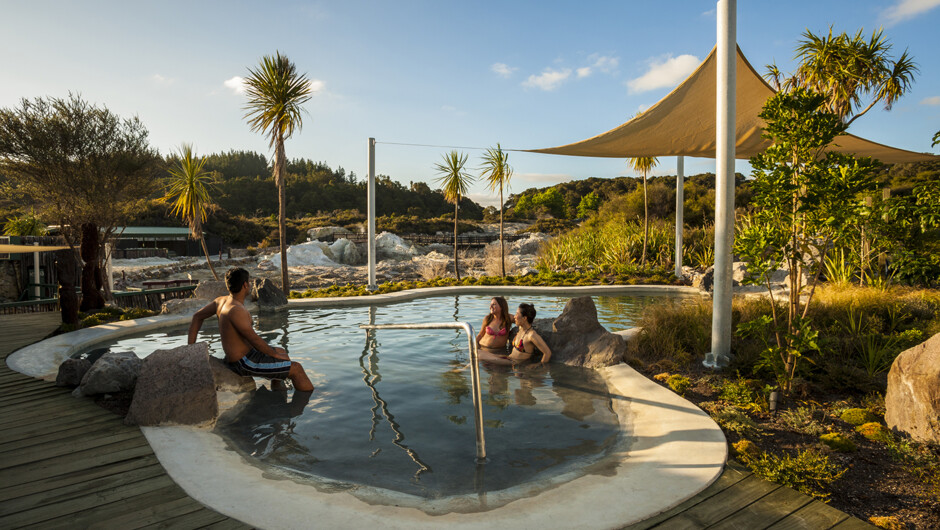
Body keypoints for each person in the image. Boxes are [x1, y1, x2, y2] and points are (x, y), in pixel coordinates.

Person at [188, 267, 314, 392]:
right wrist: (274, 354)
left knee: (282, 352)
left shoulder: (221, 301)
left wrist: (191, 348)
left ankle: (278, 390)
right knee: (296, 368)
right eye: (249, 282)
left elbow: (197, 317)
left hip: (241, 356)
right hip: (244, 362)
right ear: (245, 285)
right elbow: (254, 339)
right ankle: (308, 400)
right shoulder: (236, 310)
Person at [475, 296, 513, 364]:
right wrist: (472, 343)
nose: (491, 307)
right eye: (490, 305)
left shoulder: (508, 318)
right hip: (483, 348)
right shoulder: (487, 319)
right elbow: (481, 334)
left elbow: (522, 320)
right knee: (477, 356)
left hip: (499, 351)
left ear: (501, 306)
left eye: (494, 304)